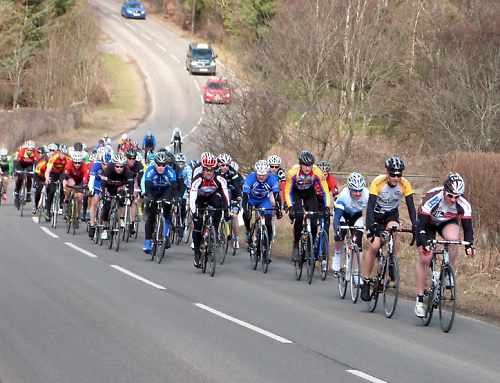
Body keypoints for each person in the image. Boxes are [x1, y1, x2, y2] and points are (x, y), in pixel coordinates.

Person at [414, 173, 475, 317]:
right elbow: (421, 227)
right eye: (450, 196)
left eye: (457, 196)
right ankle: (420, 299)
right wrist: (424, 244)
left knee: (453, 239)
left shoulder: (464, 204)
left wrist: (469, 246)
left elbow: (468, 229)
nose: (453, 199)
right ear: (444, 191)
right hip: (426, 224)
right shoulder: (433, 198)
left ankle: (447, 272)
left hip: (446, 222)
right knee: (425, 258)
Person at [361, 157, 417, 302]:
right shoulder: (377, 183)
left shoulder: (405, 185)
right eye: (393, 175)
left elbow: (411, 207)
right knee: (374, 246)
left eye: (399, 175)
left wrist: (415, 225)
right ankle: (366, 281)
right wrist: (371, 226)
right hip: (376, 215)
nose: (396, 178)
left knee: (395, 230)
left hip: (391, 215)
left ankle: (391, 262)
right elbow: (370, 207)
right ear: (387, 173)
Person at [284, 151, 330, 261]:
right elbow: (287, 191)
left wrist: (327, 206)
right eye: (305, 165)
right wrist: (290, 207)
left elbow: (325, 191)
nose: (307, 168)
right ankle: (295, 246)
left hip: (309, 192)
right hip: (296, 192)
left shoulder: (317, 172)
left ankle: (311, 245)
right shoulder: (292, 173)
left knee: (314, 222)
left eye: (309, 165)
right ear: (300, 164)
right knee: (299, 217)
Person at [190, 156, 230, 268]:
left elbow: (225, 194)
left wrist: (227, 209)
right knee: (198, 223)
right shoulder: (197, 179)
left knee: (219, 204)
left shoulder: (219, 178)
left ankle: (214, 231)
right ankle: (197, 253)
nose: (209, 173)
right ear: (203, 169)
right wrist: (194, 213)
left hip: (212, 196)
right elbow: (192, 198)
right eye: (207, 170)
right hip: (200, 198)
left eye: (211, 170)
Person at [332, 173, 369, 277]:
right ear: (349, 189)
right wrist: (336, 230)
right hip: (342, 214)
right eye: (355, 190)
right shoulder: (344, 196)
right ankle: (338, 255)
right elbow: (337, 216)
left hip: (356, 215)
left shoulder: (367, 195)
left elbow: (373, 211)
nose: (358, 193)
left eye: (360, 190)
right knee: (342, 232)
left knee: (358, 241)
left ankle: (357, 274)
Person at [242, 160, 281, 261]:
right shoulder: (250, 178)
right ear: (255, 172)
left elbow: (277, 196)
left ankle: (266, 250)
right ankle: (248, 229)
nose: (261, 177)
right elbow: (245, 196)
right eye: (259, 174)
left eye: (263, 175)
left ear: (268, 173)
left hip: (263, 200)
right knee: (246, 214)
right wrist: (246, 209)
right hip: (251, 199)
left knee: (268, 223)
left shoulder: (272, 179)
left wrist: (278, 208)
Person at [143, 152, 179, 252]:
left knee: (167, 207)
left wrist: (176, 197)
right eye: (159, 165)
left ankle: (166, 235)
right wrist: (148, 195)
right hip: (153, 190)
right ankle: (147, 243)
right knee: (151, 215)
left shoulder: (170, 171)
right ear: (155, 164)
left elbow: (174, 186)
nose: (161, 168)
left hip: (165, 190)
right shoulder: (150, 170)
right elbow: (147, 185)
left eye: (163, 165)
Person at [99, 153, 134, 240]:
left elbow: (131, 184)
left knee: (122, 196)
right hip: (109, 188)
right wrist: (103, 193)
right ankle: (105, 229)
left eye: (121, 167)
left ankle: (121, 218)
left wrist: (130, 194)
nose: (119, 169)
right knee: (106, 207)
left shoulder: (126, 171)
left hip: (119, 187)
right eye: (117, 166)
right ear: (114, 165)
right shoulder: (109, 170)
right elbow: (103, 184)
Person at [216, 153, 244, 249]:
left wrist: (239, 197)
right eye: (223, 165)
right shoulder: (215, 171)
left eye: (227, 165)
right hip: (219, 193)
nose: (225, 167)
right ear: (219, 164)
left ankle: (235, 239)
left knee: (234, 215)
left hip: (231, 194)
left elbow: (237, 186)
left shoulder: (232, 172)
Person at [87, 152, 112, 238]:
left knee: (107, 202)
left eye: (107, 165)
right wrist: (91, 190)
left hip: (106, 183)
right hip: (97, 182)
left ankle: (106, 224)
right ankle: (92, 225)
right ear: (101, 162)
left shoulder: (112, 167)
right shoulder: (96, 165)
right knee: (94, 202)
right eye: (104, 164)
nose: (105, 166)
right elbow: (91, 180)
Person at [44, 144, 70, 222]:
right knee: (51, 190)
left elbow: (69, 169)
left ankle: (62, 202)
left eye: (65, 154)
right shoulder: (54, 157)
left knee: (64, 184)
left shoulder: (68, 158)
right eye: (62, 153)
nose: (63, 156)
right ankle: (48, 211)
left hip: (61, 173)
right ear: (59, 152)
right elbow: (48, 170)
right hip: (52, 173)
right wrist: (47, 178)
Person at [62, 151, 89, 221]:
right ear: (73, 161)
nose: (77, 165)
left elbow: (85, 178)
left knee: (80, 198)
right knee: (71, 184)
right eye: (75, 163)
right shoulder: (69, 164)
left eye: (79, 163)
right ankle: (66, 201)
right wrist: (64, 186)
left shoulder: (84, 166)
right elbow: (65, 178)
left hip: (80, 179)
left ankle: (77, 215)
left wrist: (85, 187)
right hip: (71, 177)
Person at [316, 160, 339, 235]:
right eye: (321, 174)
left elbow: (335, 193)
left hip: (323, 201)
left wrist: (337, 204)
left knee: (326, 222)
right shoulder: (314, 177)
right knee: (312, 220)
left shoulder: (331, 179)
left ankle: (325, 243)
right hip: (313, 199)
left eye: (325, 174)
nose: (323, 177)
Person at [13, 140, 39, 208]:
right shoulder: (21, 151)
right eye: (28, 150)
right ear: (26, 149)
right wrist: (15, 171)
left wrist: (36, 172)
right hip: (21, 164)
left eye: (31, 150)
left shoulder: (35, 152)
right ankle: (17, 194)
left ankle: (28, 193)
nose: (29, 152)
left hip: (29, 165)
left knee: (29, 176)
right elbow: (16, 162)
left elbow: (37, 163)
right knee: (20, 178)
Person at [125, 148, 144, 235]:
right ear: (126, 158)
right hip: (124, 180)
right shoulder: (123, 164)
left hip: (134, 181)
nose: (132, 160)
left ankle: (132, 223)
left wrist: (141, 191)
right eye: (130, 158)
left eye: (134, 158)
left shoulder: (139, 165)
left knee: (132, 200)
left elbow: (140, 179)